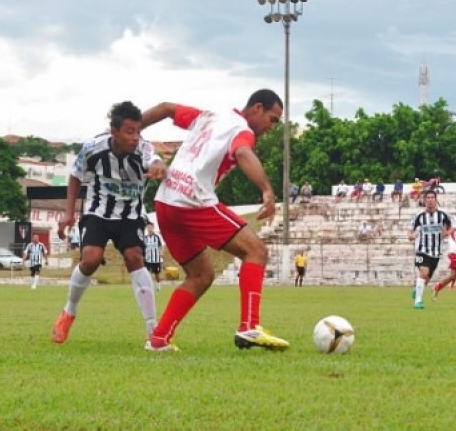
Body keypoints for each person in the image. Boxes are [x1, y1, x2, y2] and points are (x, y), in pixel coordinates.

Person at [141, 89, 290, 352]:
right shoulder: (243, 130)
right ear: (257, 108)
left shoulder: (209, 116)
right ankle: (249, 326)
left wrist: (129, 133)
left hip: (165, 201)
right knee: (256, 250)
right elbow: (243, 153)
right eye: (273, 118)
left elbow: (165, 107)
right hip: (192, 202)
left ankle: (159, 339)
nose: (273, 126)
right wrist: (266, 189)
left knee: (200, 275)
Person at [51, 101, 167, 345]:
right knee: (91, 259)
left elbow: (155, 161)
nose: (135, 137)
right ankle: (69, 311)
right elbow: (75, 175)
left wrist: (159, 166)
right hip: (98, 212)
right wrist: (68, 213)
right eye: (129, 132)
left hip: (131, 215)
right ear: (113, 132)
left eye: (138, 131)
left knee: (135, 257)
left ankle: (153, 331)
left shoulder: (143, 150)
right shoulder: (93, 149)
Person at [408, 191, 452, 310]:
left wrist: (447, 233)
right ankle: (418, 301)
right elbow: (411, 229)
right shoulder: (419, 215)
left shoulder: (443, 215)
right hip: (422, 250)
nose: (430, 200)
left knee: (426, 278)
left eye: (432, 197)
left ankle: (417, 289)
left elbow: (452, 227)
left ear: (435, 199)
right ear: (425, 200)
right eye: (428, 198)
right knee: (423, 273)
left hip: (436, 253)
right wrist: (411, 235)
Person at [143, 222, 164, 291]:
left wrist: (161, 253)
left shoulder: (157, 237)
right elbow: (143, 248)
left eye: (151, 227)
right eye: (148, 227)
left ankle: (158, 286)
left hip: (156, 259)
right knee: (147, 274)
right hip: (147, 259)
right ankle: (148, 287)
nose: (149, 229)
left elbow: (160, 246)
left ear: (153, 228)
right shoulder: (145, 238)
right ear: (147, 228)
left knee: (157, 274)